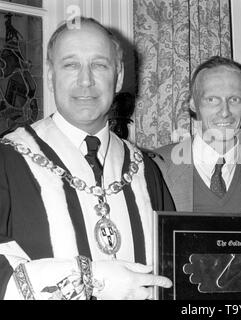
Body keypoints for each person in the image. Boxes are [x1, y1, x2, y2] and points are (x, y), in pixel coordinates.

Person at [0, 17, 174, 300]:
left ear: (117, 78)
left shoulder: (145, 170)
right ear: (50, 75)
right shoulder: (8, 161)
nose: (85, 80)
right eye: (70, 65)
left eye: (99, 65)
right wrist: (92, 280)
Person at [153, 56, 241, 214]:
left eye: (234, 99)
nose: (225, 112)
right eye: (212, 99)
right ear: (193, 104)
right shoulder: (156, 166)